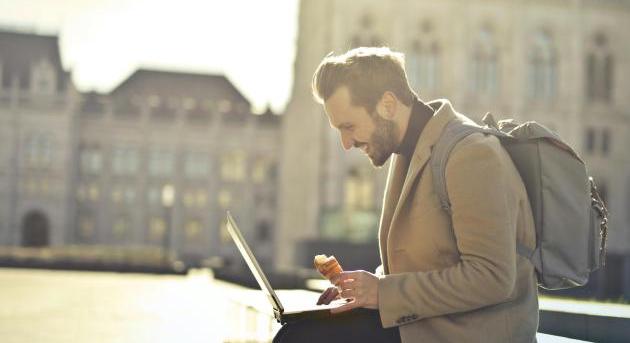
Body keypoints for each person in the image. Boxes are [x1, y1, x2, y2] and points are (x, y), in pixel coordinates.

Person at [273, 47, 538, 343]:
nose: (346, 143)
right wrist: (360, 290)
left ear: (387, 105)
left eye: (349, 127)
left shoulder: (472, 154)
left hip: (466, 335)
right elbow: (426, 262)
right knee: (298, 334)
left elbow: (493, 278)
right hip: (423, 326)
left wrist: (382, 292)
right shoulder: (407, 151)